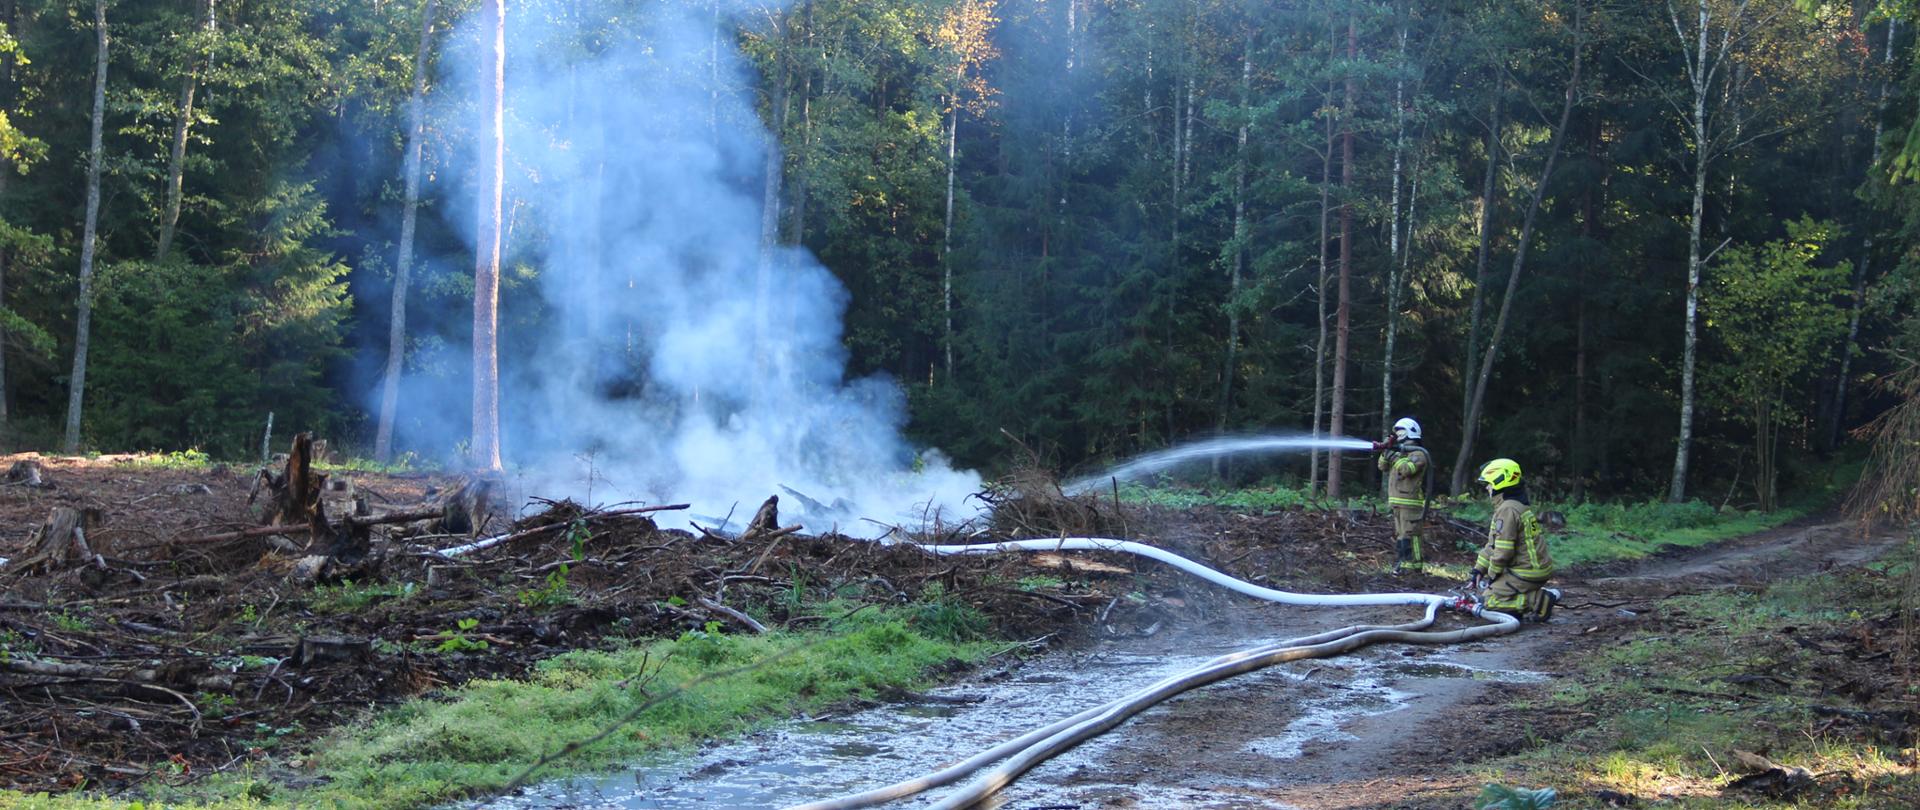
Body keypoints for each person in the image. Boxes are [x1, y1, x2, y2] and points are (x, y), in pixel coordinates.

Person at [1469, 458, 1560, 622]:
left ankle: (1537, 600)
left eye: (1488, 483)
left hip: (1526, 571)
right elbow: (1493, 545)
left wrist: (1492, 576)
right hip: (1532, 568)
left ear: (1499, 481)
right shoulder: (1513, 505)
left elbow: (1503, 551)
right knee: (1492, 595)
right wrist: (1478, 570)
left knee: (1488, 601)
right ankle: (1528, 598)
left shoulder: (1508, 509)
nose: (1487, 488)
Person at [1375, 417, 1430, 573]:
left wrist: (1392, 455)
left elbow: (1407, 470)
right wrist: (1385, 451)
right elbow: (1382, 467)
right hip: (1398, 503)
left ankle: (1415, 567)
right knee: (1401, 536)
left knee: (1411, 535)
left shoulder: (1419, 454)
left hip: (1411, 503)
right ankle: (1403, 564)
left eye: (1400, 431)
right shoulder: (1400, 453)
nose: (1397, 435)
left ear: (1410, 432)